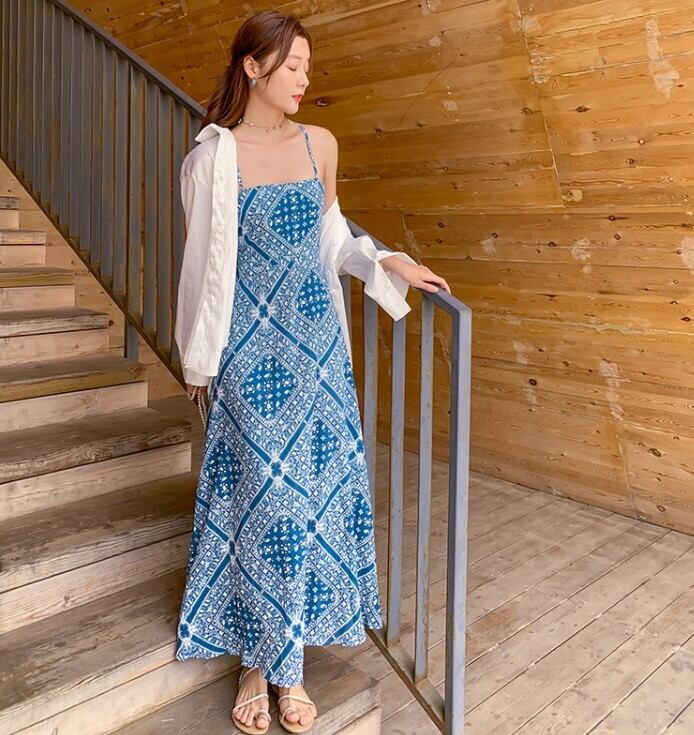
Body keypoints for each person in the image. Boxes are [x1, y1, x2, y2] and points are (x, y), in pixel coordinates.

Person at [173, 10, 451, 735]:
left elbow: (331, 234)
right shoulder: (211, 160)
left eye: (306, 67)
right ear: (253, 67)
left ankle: (283, 666)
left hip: (316, 349)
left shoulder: (318, 143)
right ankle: (256, 664)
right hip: (247, 350)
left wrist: (386, 260)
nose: (303, 79)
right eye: (292, 65)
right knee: (264, 505)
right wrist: (198, 362)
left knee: (310, 504)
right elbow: (202, 268)